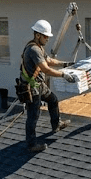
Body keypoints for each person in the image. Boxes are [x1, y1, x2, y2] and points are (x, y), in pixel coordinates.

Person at [19, 19, 74, 153]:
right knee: (33, 116)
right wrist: (63, 75)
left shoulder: (38, 47)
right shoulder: (33, 50)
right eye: (45, 36)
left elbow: (49, 60)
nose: (47, 39)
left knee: (53, 100)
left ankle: (56, 124)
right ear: (38, 35)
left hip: (39, 85)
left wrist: (64, 64)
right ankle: (31, 144)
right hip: (32, 88)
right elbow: (46, 69)